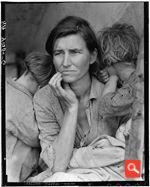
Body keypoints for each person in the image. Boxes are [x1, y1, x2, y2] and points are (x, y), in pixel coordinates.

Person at [33, 16, 133, 182]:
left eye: (75, 52)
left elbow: (132, 151)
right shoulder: (44, 98)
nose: (65, 63)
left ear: (92, 56)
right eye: (58, 53)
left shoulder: (113, 94)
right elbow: (57, 166)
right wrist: (71, 108)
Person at [6, 52, 55, 182]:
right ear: (42, 87)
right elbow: (37, 136)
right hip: (10, 174)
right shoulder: (19, 100)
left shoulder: (8, 85)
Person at [96, 23, 140, 142]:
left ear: (108, 60)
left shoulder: (135, 85)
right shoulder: (134, 79)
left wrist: (112, 78)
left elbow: (105, 107)